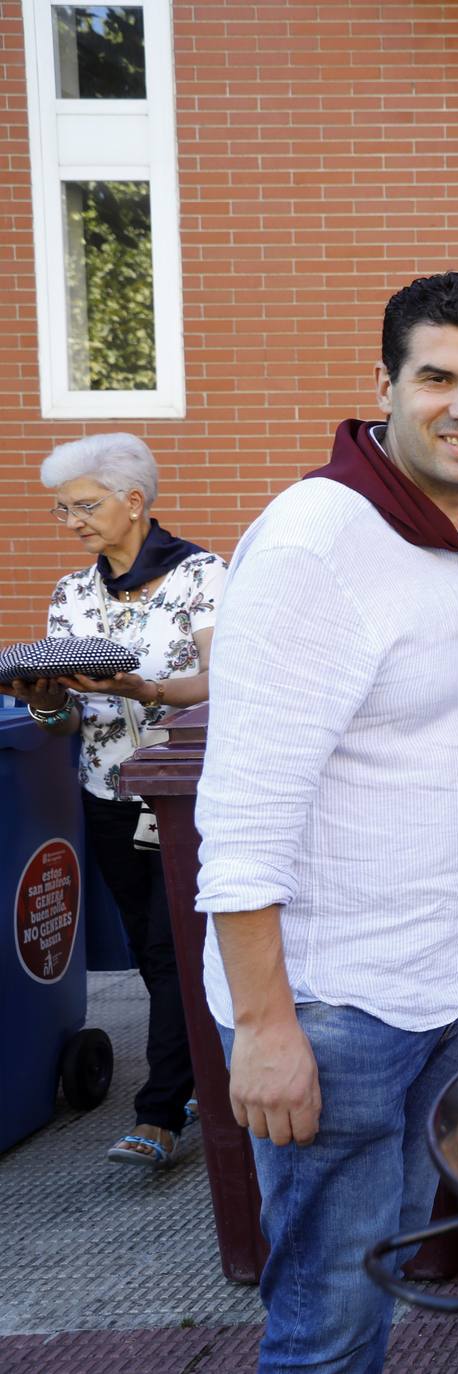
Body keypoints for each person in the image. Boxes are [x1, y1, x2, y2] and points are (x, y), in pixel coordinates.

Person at [195, 271, 458, 1374]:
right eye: (437, 377)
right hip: (338, 1010)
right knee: (330, 1327)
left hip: (446, 982)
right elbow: (240, 818)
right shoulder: (315, 546)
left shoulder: (444, 530)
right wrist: (268, 1029)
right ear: (383, 384)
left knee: (384, 1280)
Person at [5, 434, 222, 1170]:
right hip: (106, 795)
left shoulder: (202, 576)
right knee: (154, 954)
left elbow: (223, 680)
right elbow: (68, 719)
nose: (72, 521)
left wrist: (146, 689)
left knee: (170, 949)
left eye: (86, 505)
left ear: (134, 501)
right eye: (63, 509)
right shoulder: (72, 593)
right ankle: (195, 1075)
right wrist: (40, 705)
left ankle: (158, 1114)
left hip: (184, 798)